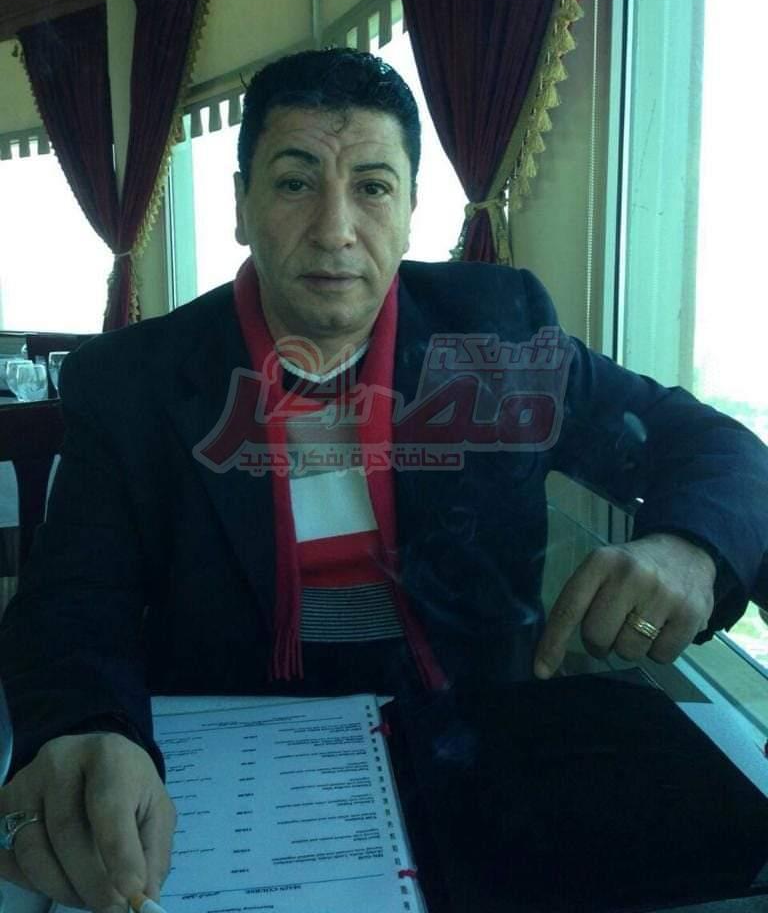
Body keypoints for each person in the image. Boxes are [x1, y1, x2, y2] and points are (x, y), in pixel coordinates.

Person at [0, 47, 766, 912]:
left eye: (372, 187)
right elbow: (73, 599)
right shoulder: (135, 379)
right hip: (237, 770)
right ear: (242, 207)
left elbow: (707, 445)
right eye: (295, 183)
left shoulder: (499, 334)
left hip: (478, 756)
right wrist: (87, 726)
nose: (335, 230)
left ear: (409, 213)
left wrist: (689, 547)